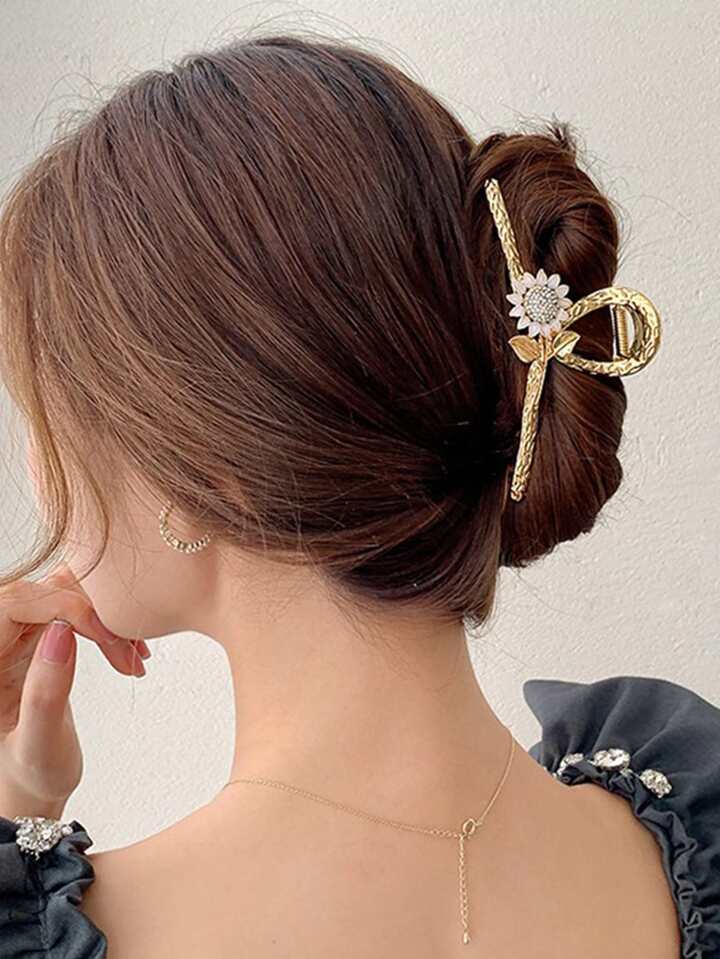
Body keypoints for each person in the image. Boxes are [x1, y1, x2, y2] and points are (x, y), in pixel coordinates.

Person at [0, 32, 717, 959]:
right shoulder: (686, 819)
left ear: (200, 476)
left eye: (44, 408)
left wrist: (16, 820)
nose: (36, 463)